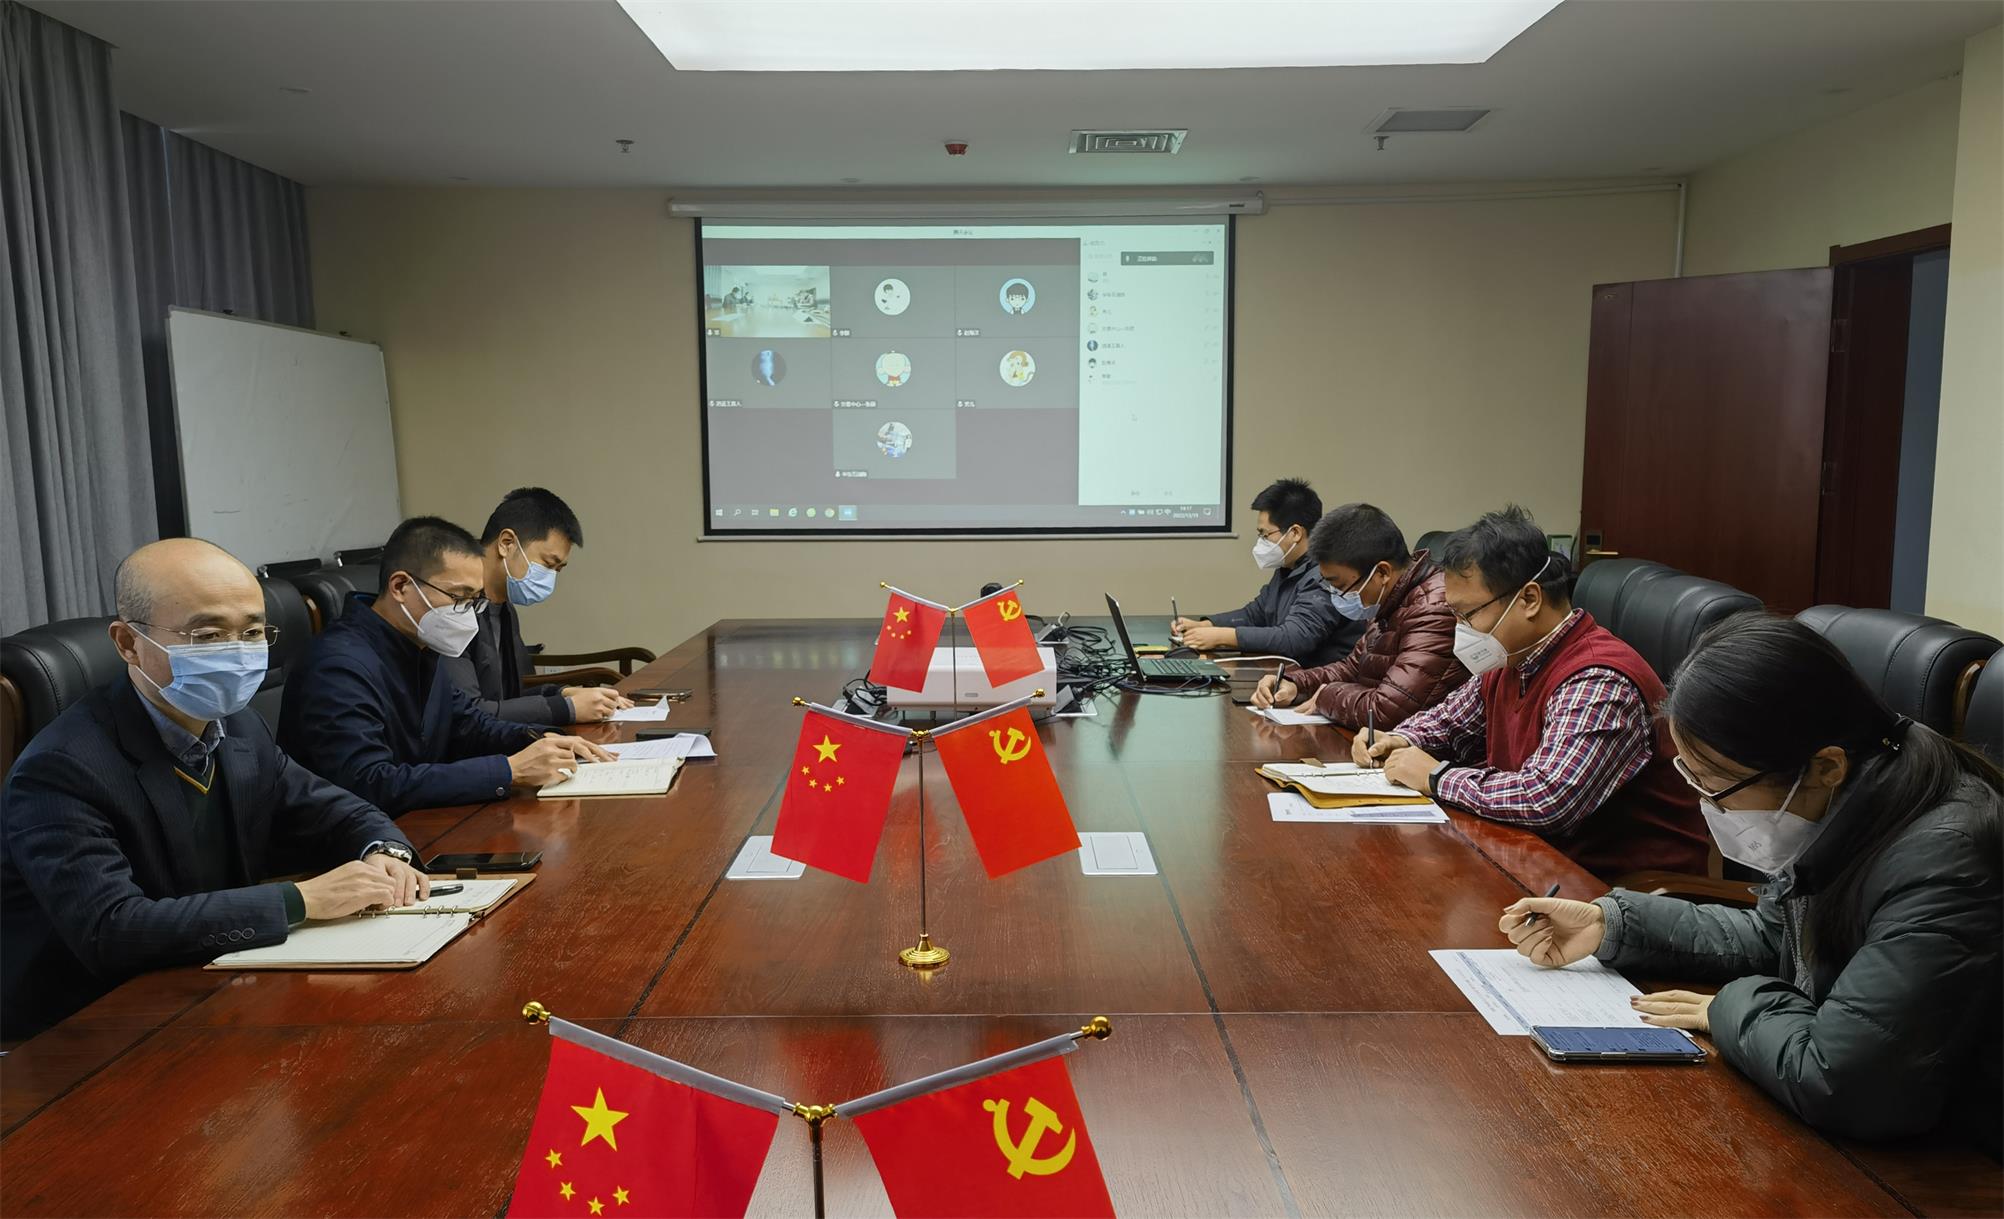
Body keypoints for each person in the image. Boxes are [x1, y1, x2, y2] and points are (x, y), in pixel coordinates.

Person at [1499, 613, 2001, 1149]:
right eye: (1693, 780)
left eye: (1717, 787)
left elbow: (1843, 1080)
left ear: (1825, 767)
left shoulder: (1943, 861)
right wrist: (1613, 925)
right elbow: (1777, 938)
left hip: (1955, 1159)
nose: (1708, 808)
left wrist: (1728, 1007)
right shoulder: (1849, 801)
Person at [1, 539, 428, 1038]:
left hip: (212, 985)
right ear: (128, 643)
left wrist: (384, 851)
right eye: (207, 635)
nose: (238, 652)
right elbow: (111, 930)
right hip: (85, 1029)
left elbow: (337, 810)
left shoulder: (238, 726)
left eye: (253, 632)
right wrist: (300, 900)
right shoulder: (60, 767)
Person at [1355, 506, 1708, 879]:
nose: (1460, 629)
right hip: (1535, 862)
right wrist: (1397, 739)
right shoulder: (1512, 658)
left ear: (1529, 600)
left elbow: (1547, 798)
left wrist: (1437, 777)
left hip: (1615, 889)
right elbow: (1448, 721)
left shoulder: (1597, 679)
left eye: (1467, 615)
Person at [279, 516, 612, 815]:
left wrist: (542, 739)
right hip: (350, 851)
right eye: (459, 597)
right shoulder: (337, 667)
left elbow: (469, 724)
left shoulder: (419, 644)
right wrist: (510, 771)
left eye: (474, 600)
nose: (468, 613)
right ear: (400, 587)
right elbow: (371, 782)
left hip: (416, 823)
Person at [1252, 503, 1467, 727]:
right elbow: (1353, 668)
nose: (1335, 595)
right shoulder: (1390, 600)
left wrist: (1326, 695)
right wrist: (1295, 684)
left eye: (1340, 585)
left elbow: (1386, 711)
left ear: (1382, 572)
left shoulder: (1432, 610)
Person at [444, 487, 633, 727]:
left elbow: (510, 697)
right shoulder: (452, 607)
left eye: (558, 569)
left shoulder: (504, 607)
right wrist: (566, 708)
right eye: (548, 564)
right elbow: (469, 713)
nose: (550, 578)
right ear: (506, 543)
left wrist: (564, 693)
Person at [1173, 478, 1364, 669]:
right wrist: (1206, 625)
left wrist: (1223, 637)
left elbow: (1295, 637)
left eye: (1265, 534)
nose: (1261, 542)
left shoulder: (1324, 575)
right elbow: (1255, 614)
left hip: (1323, 679)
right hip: (1292, 675)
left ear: (1295, 533)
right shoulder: (1289, 567)